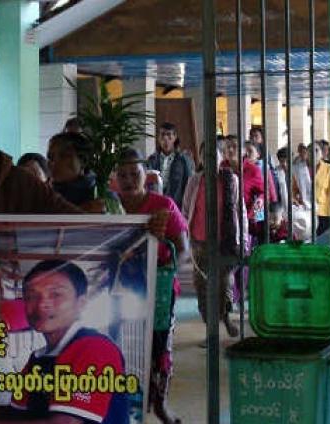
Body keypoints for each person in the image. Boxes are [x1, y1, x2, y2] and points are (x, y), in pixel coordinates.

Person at [0, 260, 129, 424]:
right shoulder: (39, 357)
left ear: (81, 303)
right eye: (32, 296)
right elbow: (14, 414)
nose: (42, 304)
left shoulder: (94, 348)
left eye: (56, 294)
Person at [115, 148, 188, 424]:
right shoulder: (109, 207)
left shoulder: (163, 204)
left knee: (160, 349)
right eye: (122, 175)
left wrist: (166, 274)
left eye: (134, 174)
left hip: (159, 290)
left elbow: (183, 249)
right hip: (119, 288)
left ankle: (161, 403)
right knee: (123, 345)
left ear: (145, 175)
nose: (128, 180)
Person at [181, 140, 244, 340]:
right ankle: (210, 329)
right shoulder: (194, 181)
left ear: (220, 157)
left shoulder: (231, 180)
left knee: (223, 284)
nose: (209, 160)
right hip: (199, 242)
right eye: (204, 156)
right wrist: (185, 237)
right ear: (200, 159)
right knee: (201, 286)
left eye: (213, 156)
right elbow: (186, 210)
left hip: (223, 242)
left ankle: (225, 316)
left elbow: (239, 211)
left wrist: (241, 238)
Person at [47, 132, 121, 214]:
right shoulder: (44, 195)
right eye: (50, 157)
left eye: (64, 156)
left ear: (83, 161)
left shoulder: (102, 196)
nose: (54, 163)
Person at [147, 123, 193, 209]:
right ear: (158, 138)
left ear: (175, 137)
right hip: (155, 205)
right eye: (162, 135)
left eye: (169, 135)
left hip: (176, 206)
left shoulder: (183, 160)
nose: (165, 139)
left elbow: (189, 186)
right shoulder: (151, 160)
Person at [315, 145, 330, 236]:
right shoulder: (302, 168)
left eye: (316, 151)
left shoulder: (329, 168)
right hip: (308, 209)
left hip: (324, 209)